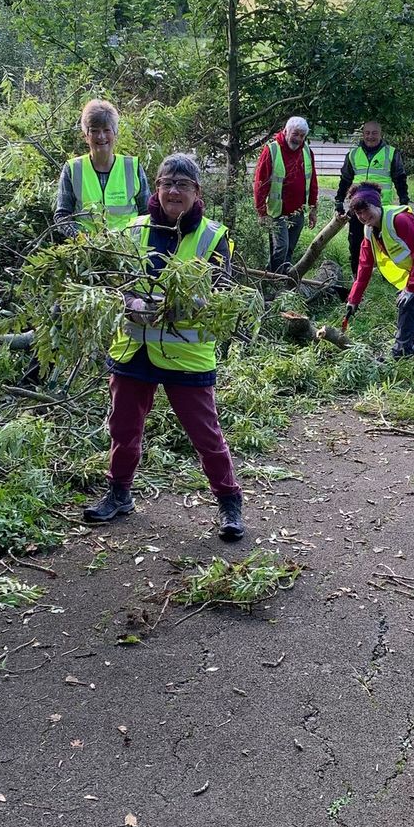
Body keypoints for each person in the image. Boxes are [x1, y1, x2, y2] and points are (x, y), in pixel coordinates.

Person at [84, 153, 245, 541]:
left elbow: (222, 296)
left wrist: (177, 305)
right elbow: (112, 282)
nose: (173, 191)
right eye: (166, 183)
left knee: (205, 434)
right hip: (133, 350)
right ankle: (119, 493)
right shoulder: (133, 231)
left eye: (182, 185)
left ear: (196, 192)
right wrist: (128, 300)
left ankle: (229, 502)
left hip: (186, 356)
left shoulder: (213, 237)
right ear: (156, 188)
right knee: (124, 429)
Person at [342, 185, 414, 358]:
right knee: (413, 301)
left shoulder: (400, 220)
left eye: (366, 209)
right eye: (358, 213)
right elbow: (364, 267)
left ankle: (400, 353)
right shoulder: (369, 230)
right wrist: (354, 299)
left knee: (410, 302)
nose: (363, 216)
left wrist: (411, 288)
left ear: (376, 205)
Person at [55, 99, 149, 238]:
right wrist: (82, 238)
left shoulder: (132, 167)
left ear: (115, 133)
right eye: (94, 131)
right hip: (88, 252)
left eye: (107, 130)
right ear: (86, 136)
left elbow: (147, 213)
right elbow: (62, 216)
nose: (101, 136)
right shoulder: (73, 169)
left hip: (129, 252)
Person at [335, 121, 410, 276]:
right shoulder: (353, 155)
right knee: (355, 243)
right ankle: (357, 275)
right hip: (358, 208)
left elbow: (400, 179)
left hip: (382, 209)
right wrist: (339, 202)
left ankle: (390, 276)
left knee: (386, 244)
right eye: (367, 133)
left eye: (374, 133)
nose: (370, 136)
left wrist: (404, 202)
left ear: (380, 134)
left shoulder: (391, 153)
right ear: (363, 134)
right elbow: (345, 180)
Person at [253, 116, 318, 273]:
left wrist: (313, 208)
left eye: (302, 136)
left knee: (289, 249)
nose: (298, 139)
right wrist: (261, 212)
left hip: (298, 210)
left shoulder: (307, 151)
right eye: (295, 134)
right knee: (280, 248)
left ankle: (283, 280)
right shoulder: (272, 150)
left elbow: (313, 180)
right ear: (286, 131)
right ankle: (272, 279)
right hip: (277, 211)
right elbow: (260, 183)